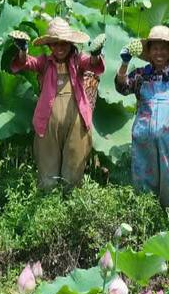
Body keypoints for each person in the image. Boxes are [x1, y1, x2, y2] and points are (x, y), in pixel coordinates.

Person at [11, 18, 105, 191]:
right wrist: (23, 51)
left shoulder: (78, 61)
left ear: (70, 44)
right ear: (49, 46)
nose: (60, 48)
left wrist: (95, 54)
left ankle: (69, 204)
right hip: (48, 120)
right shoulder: (44, 62)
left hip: (76, 119)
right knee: (48, 166)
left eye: (64, 44)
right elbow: (26, 63)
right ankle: (49, 201)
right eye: (55, 44)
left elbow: (92, 64)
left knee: (74, 163)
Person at [117, 25, 169, 207]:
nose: (159, 52)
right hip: (143, 139)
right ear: (149, 51)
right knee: (144, 178)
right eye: (155, 48)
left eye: (163, 48)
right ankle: (146, 214)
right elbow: (122, 87)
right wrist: (124, 64)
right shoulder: (141, 74)